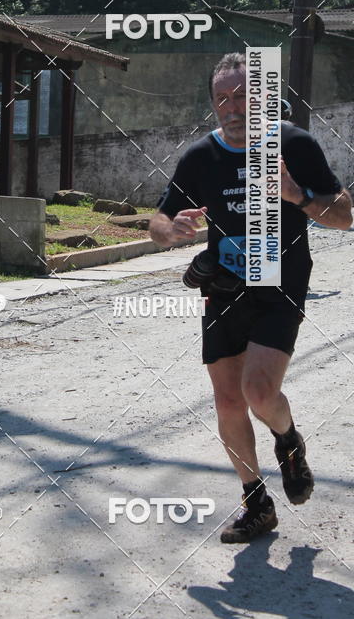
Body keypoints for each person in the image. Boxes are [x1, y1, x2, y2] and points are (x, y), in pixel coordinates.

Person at [149, 52, 352, 543]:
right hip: (223, 289)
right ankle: (256, 502)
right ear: (213, 103)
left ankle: (287, 438)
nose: (233, 107)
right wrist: (170, 230)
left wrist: (297, 196)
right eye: (223, 98)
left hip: (281, 286)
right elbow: (156, 222)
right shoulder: (200, 156)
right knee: (227, 400)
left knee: (259, 393)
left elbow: (344, 215)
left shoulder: (294, 145)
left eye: (244, 95)